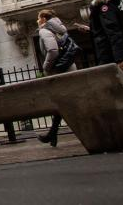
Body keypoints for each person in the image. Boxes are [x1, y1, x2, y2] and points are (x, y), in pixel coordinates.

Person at [36, 9, 76, 147]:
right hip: (69, 66)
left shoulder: (44, 30)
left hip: (58, 70)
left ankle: (52, 134)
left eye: (38, 18)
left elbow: (53, 51)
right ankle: (52, 134)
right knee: (63, 102)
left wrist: (46, 67)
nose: (37, 21)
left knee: (60, 101)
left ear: (43, 19)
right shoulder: (60, 28)